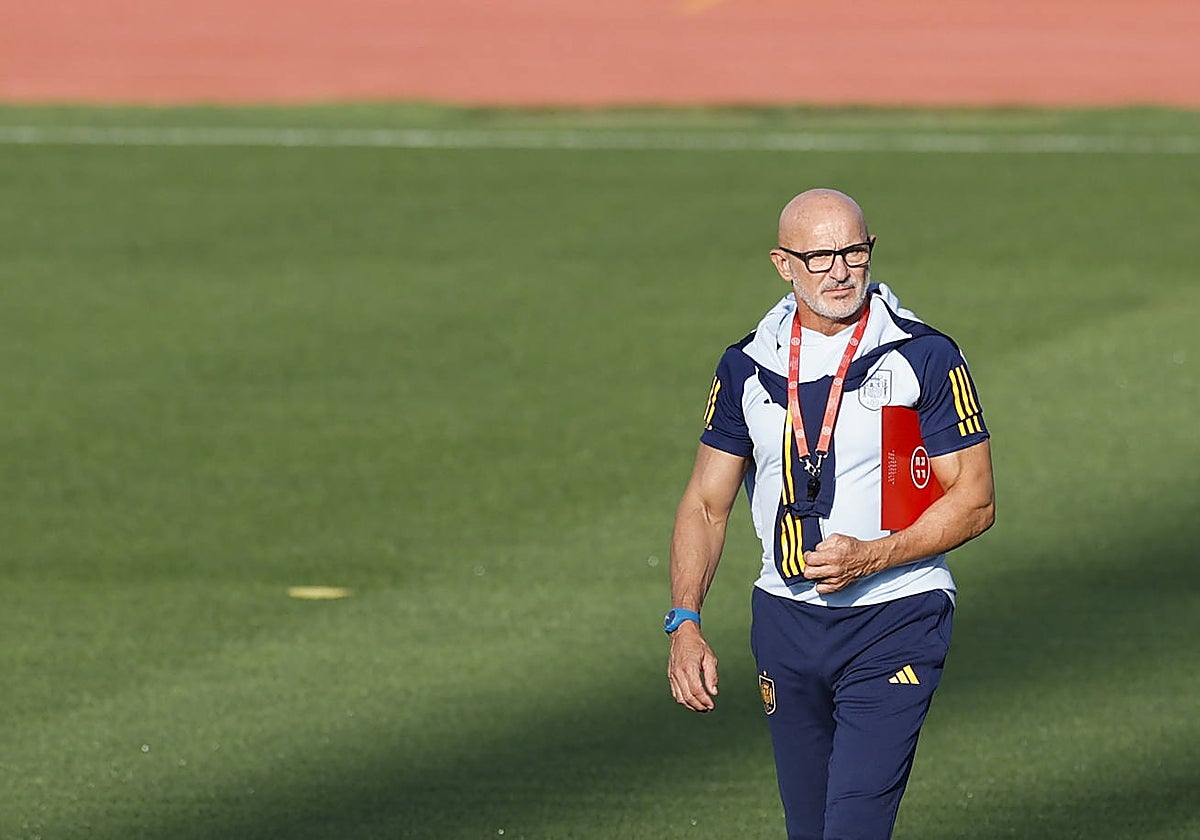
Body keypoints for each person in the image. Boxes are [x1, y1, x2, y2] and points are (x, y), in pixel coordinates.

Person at [664, 189, 995, 839]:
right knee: (809, 829)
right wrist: (685, 619)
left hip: (897, 614)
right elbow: (706, 503)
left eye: (853, 251)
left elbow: (976, 499)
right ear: (782, 264)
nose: (841, 271)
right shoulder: (748, 366)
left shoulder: (923, 355)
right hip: (784, 622)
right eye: (819, 257)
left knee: (853, 828)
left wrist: (873, 556)